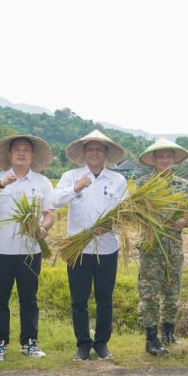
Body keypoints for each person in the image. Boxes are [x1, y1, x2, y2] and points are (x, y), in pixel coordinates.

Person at [0, 135, 56, 363]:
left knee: (29, 299)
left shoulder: (42, 182)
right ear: (9, 154)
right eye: (17, 149)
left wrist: (43, 228)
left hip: (30, 250)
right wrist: (1, 185)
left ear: (32, 155)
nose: (21, 153)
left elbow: (50, 213)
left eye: (26, 150)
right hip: (0, 249)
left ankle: (29, 343)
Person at [54, 130, 128, 361]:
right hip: (78, 249)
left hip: (107, 247)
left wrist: (110, 226)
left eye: (99, 149)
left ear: (106, 153)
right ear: (84, 152)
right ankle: (83, 344)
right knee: (78, 299)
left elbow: (126, 212)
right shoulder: (71, 176)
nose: (94, 153)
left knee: (105, 297)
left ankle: (102, 343)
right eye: (90, 149)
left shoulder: (118, 180)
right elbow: (54, 201)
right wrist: (76, 188)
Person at [136, 138, 188, 356]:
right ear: (154, 160)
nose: (165, 160)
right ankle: (151, 337)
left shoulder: (183, 185)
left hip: (174, 246)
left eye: (169, 156)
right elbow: (137, 213)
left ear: (174, 160)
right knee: (149, 292)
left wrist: (184, 222)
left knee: (172, 291)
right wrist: (155, 221)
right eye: (161, 156)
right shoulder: (143, 184)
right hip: (151, 246)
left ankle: (169, 333)